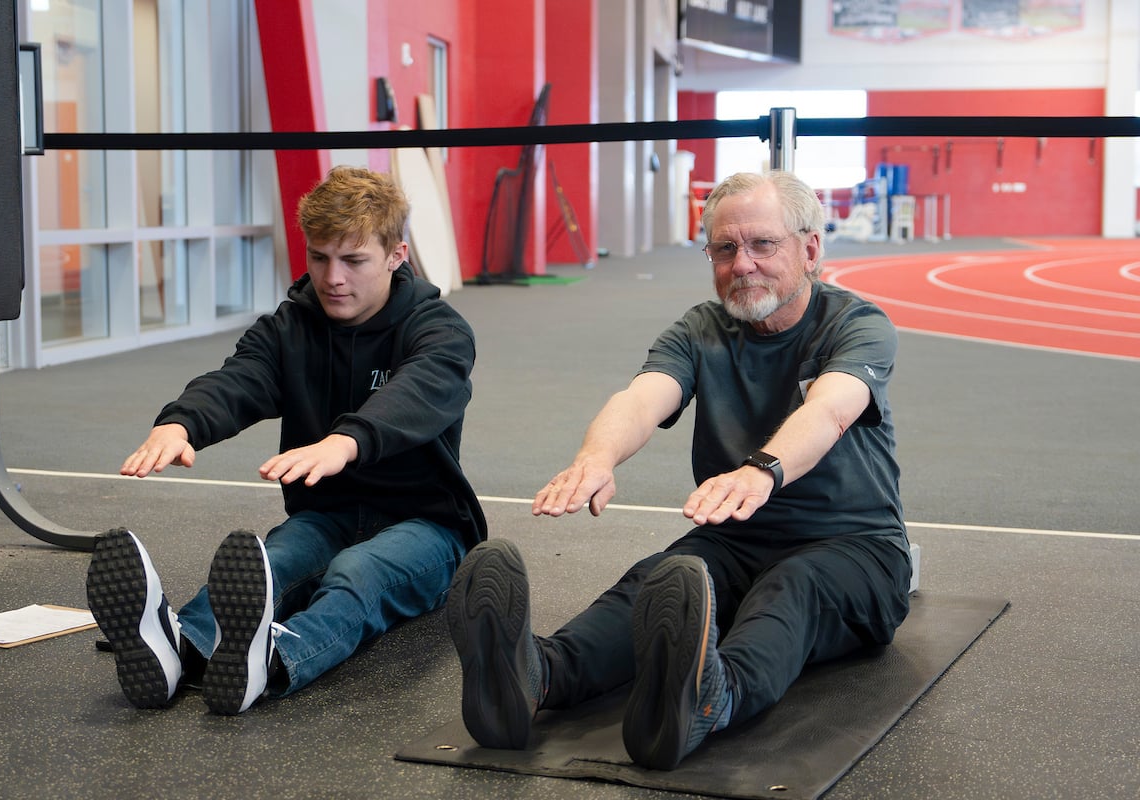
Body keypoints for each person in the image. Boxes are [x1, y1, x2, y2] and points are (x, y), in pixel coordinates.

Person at [446, 170, 912, 769]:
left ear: (811, 249)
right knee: (661, 580)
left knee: (792, 590)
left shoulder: (858, 325)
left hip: (856, 548)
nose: (741, 264)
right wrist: (597, 457)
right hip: (737, 534)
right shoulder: (700, 329)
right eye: (724, 248)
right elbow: (643, 397)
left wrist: (761, 470)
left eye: (762, 245)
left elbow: (829, 411)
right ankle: (536, 677)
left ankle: (711, 699)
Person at [86, 165, 486, 715]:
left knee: (356, 574)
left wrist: (344, 443)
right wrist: (181, 422)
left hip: (427, 525)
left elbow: (420, 391)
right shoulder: (289, 327)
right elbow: (239, 379)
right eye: (319, 257)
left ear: (397, 256)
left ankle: (272, 661)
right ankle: (178, 643)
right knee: (275, 560)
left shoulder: (438, 328)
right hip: (328, 513)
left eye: (353, 260)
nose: (332, 278)